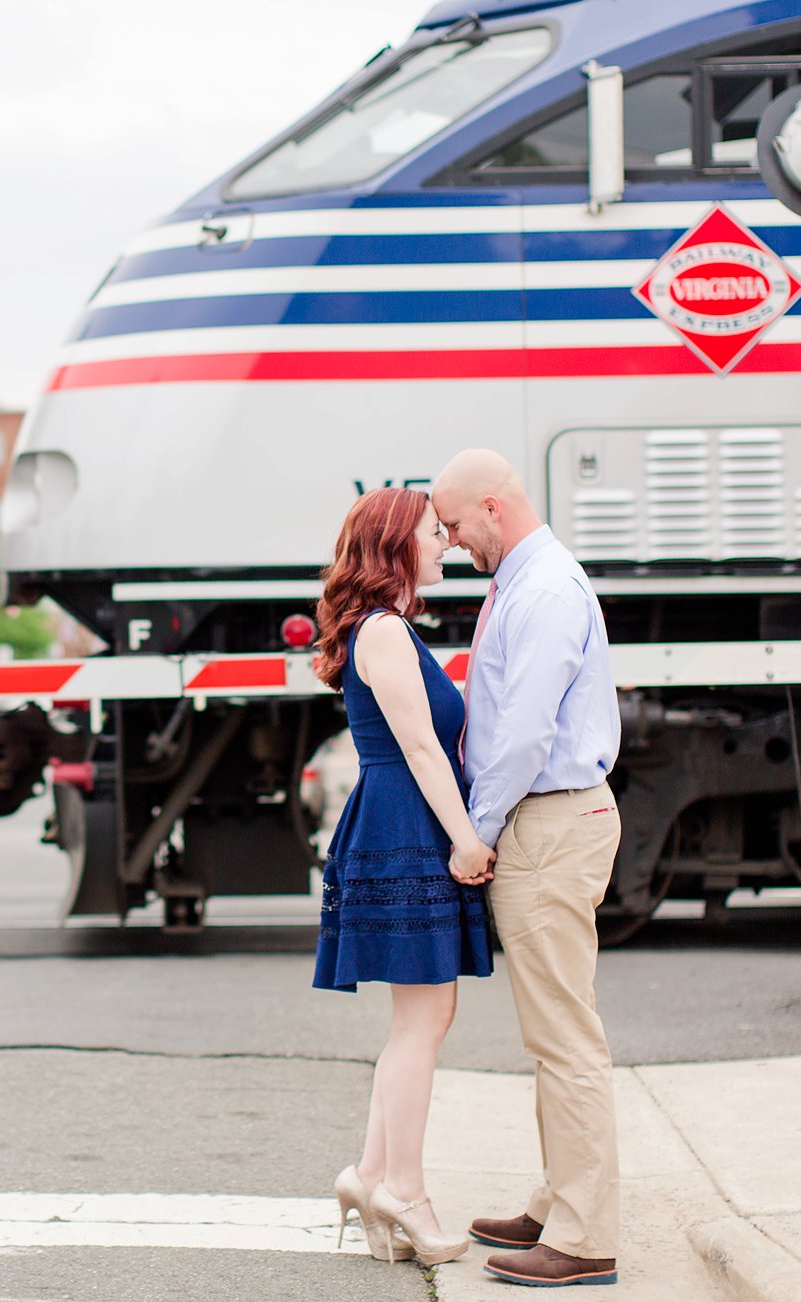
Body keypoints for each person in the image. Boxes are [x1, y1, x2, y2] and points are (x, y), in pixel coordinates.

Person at [431, 448, 623, 1288]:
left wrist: (473, 831)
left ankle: (582, 1238)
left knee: (564, 1035)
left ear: (492, 507)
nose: (452, 540)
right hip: (550, 820)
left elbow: (522, 734)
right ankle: (558, 1201)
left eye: (455, 525)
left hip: (547, 822)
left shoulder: (540, 591)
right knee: (554, 1028)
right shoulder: (529, 582)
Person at [312, 486, 495, 1269]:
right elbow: (422, 749)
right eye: (433, 532)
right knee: (423, 1021)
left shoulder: (380, 630)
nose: (444, 542)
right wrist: (465, 842)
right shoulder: (384, 631)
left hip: (399, 819)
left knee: (417, 1021)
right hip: (408, 824)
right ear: (396, 549)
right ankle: (405, 1191)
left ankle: (374, 1175)